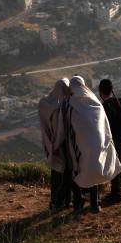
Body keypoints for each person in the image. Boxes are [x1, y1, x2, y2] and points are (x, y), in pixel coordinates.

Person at [65, 75, 121, 213]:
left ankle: (78, 203)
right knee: (94, 174)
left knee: (80, 173)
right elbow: (104, 126)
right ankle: (95, 204)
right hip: (98, 145)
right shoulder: (95, 102)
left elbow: (71, 129)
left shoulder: (71, 105)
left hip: (81, 146)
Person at [98, 79, 121, 204]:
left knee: (114, 166)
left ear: (101, 92)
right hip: (120, 138)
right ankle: (117, 193)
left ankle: (116, 195)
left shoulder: (103, 107)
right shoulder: (120, 102)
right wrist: (120, 107)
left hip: (111, 140)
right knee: (117, 165)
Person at [38, 78, 71, 211]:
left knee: (55, 172)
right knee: (66, 172)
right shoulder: (63, 105)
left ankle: (54, 200)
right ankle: (65, 200)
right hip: (63, 143)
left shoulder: (44, 103)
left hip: (50, 142)